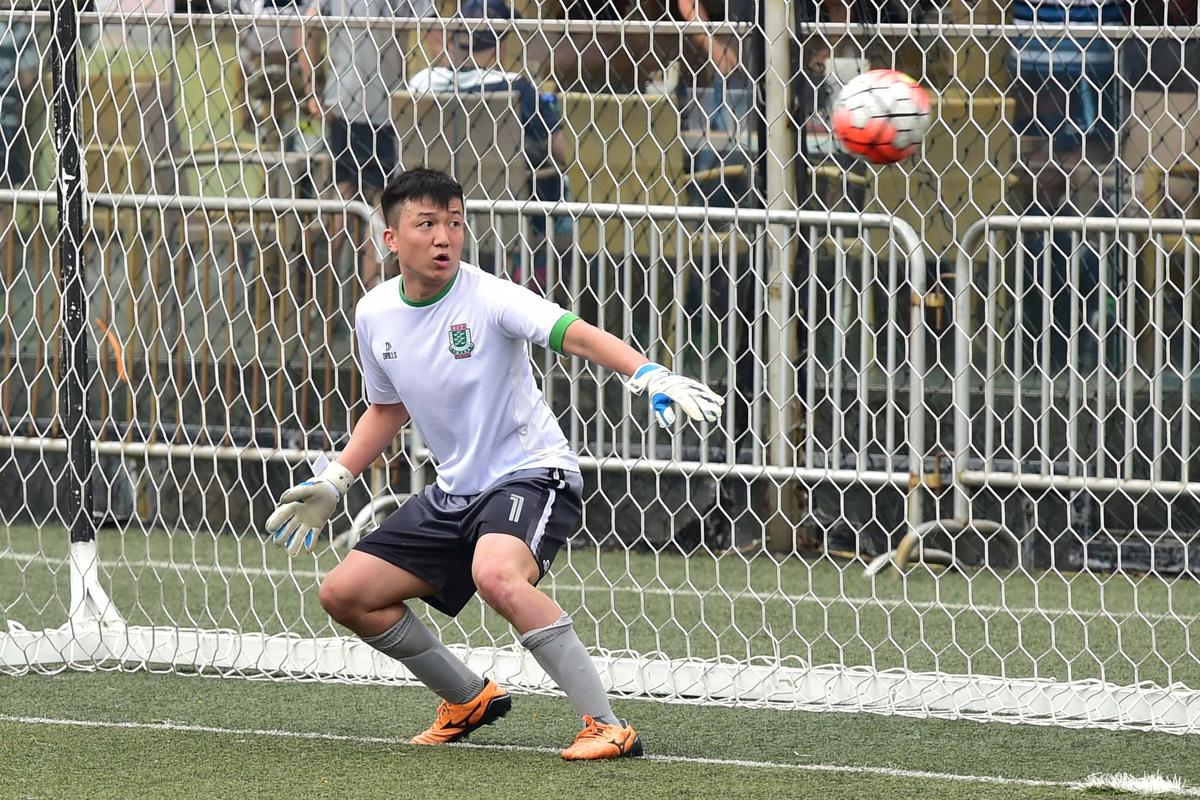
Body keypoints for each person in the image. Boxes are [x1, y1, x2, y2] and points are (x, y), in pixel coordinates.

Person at [265, 168, 722, 758]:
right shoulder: (374, 313)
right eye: (425, 224)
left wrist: (648, 373)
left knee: (497, 575)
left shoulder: (489, 294)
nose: (443, 238)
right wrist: (337, 477)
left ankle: (606, 725)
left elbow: (574, 334)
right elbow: (388, 407)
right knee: (345, 593)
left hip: (531, 473)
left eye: (454, 223)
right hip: (457, 492)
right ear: (390, 238)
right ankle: (467, 698)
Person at [408, 0, 569, 287]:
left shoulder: (421, 83)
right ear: (500, 46)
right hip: (502, 214)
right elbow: (561, 150)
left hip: (433, 212)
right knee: (561, 195)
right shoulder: (515, 87)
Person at [306, 0, 442, 286]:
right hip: (372, 104)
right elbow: (432, 32)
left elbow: (309, 25)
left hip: (365, 103)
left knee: (351, 204)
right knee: (373, 207)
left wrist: (312, 88)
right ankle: (353, 299)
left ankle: (325, 303)